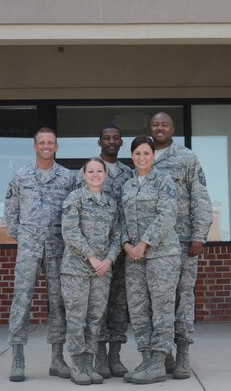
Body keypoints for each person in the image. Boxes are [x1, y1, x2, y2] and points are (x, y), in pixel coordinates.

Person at [4, 127, 77, 382]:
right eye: (41, 142)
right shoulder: (21, 176)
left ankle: (57, 359)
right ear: (35, 147)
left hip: (58, 249)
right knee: (21, 301)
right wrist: (24, 237)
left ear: (56, 147)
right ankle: (17, 358)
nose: (46, 146)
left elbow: (74, 213)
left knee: (58, 304)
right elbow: (11, 213)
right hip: (29, 249)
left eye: (50, 143)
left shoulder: (68, 178)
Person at [149, 112, 213, 379]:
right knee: (158, 300)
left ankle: (184, 354)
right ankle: (164, 354)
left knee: (184, 298)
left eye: (164, 124)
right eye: (155, 124)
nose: (159, 128)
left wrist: (199, 235)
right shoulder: (143, 156)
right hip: (154, 244)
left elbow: (200, 197)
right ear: (149, 128)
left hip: (185, 242)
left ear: (172, 128)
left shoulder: (186, 157)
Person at [121, 136, 181, 385]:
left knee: (162, 309)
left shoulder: (163, 181)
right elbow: (121, 219)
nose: (142, 158)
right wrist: (127, 245)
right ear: (132, 156)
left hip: (161, 254)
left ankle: (159, 359)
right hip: (134, 257)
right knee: (137, 310)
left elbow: (167, 215)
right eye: (137, 154)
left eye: (146, 153)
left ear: (153, 156)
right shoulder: (127, 185)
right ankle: (147, 357)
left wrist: (143, 244)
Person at [61, 158, 121, 385]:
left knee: (95, 319)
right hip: (76, 270)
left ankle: (89, 363)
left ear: (105, 174)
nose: (95, 174)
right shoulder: (74, 199)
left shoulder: (111, 204)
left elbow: (117, 235)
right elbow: (70, 232)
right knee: (77, 319)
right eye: (91, 171)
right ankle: (78, 365)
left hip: (101, 271)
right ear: (84, 175)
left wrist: (109, 259)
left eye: (99, 171)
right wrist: (92, 257)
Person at [91, 125, 132, 378]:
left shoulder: (129, 173)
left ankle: (115, 356)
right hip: (97, 252)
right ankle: (99, 357)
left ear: (121, 142)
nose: (111, 141)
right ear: (99, 142)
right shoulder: (91, 172)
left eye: (115, 138)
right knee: (98, 305)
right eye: (106, 138)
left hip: (123, 250)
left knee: (119, 303)